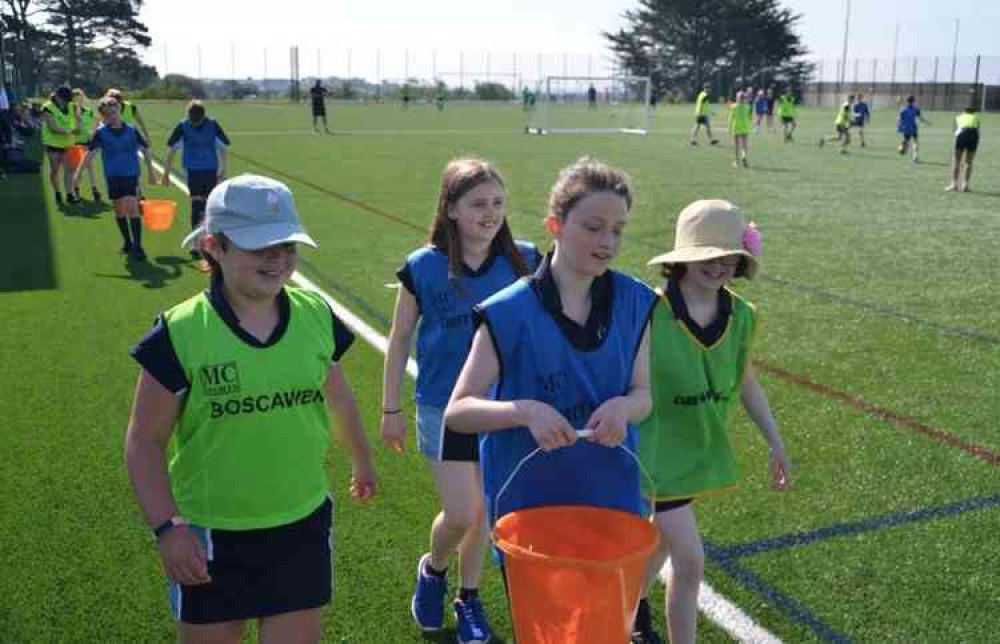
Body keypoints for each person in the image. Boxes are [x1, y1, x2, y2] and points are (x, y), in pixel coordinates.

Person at [125, 173, 377, 644]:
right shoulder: (178, 334)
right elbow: (144, 441)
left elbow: (338, 396)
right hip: (212, 533)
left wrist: (361, 457)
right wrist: (168, 528)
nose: (278, 258)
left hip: (300, 523)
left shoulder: (316, 315)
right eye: (260, 247)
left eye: (287, 244)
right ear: (213, 246)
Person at [444, 159, 657, 612]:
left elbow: (643, 396)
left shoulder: (635, 301)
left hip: (612, 498)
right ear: (555, 225)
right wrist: (526, 411)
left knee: (601, 624)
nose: (607, 242)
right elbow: (458, 411)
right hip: (532, 507)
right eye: (594, 227)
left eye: (618, 230)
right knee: (548, 624)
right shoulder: (509, 310)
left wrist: (624, 407)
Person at [382, 158, 539, 644]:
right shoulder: (423, 266)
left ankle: (468, 598)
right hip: (441, 407)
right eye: (477, 204)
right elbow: (400, 339)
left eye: (496, 203)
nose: (489, 213)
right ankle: (432, 570)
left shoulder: (526, 260)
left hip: (500, 408)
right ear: (451, 209)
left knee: (486, 513)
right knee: (464, 512)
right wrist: (390, 410)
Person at [631, 200, 791, 644]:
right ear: (681, 258)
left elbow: (746, 382)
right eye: (705, 254)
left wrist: (775, 442)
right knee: (690, 559)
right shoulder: (649, 313)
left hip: (695, 453)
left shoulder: (741, 315)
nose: (717, 264)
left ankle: (629, 610)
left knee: (659, 545)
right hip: (654, 454)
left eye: (727, 256)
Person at [73, 97, 157, 261]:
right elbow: (89, 155)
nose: (112, 116)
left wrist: (151, 172)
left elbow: (146, 150)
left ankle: (138, 246)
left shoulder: (132, 130)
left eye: (114, 112)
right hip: (113, 176)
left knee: (133, 208)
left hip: (131, 175)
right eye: (108, 114)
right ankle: (127, 241)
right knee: (119, 210)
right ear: (103, 117)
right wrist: (78, 173)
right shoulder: (101, 134)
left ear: (119, 110)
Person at [161, 100, 232, 265]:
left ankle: (210, 240)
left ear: (203, 116)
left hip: (210, 170)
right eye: (193, 121)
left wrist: (223, 170)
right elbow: (171, 150)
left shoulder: (213, 125)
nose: (195, 124)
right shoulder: (183, 126)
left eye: (198, 121)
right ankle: (195, 243)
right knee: (196, 205)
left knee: (210, 206)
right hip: (192, 171)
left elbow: (223, 147)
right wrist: (165, 174)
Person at [41, 86, 80, 205]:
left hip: (68, 143)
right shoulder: (47, 108)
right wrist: (70, 131)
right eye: (64, 99)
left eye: (68, 100)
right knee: (55, 170)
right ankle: (57, 192)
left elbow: (78, 119)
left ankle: (69, 194)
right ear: (57, 96)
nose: (67, 102)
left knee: (69, 169)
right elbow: (53, 128)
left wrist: (78, 126)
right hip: (53, 143)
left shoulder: (71, 106)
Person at [71, 88, 101, 202]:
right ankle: (76, 189)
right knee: (77, 168)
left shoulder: (88, 111)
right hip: (75, 142)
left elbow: (98, 121)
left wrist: (93, 132)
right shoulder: (70, 112)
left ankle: (94, 189)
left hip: (87, 142)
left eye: (81, 99)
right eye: (76, 99)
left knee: (89, 166)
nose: (79, 102)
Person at [946, 107, 981, 192]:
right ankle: (965, 185)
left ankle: (954, 185)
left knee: (957, 160)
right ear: (973, 112)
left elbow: (955, 132)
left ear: (964, 111)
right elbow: (978, 131)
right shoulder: (976, 118)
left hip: (962, 134)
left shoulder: (958, 117)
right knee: (969, 161)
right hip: (974, 135)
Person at [897, 95, 932, 163]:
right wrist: (927, 123)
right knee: (915, 142)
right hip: (913, 128)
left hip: (906, 129)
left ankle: (902, 149)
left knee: (906, 141)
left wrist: (899, 127)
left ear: (907, 101)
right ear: (913, 102)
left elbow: (899, 119)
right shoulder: (916, 109)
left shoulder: (903, 110)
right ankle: (914, 156)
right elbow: (920, 118)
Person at [728, 91, 752, 168]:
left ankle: (736, 162)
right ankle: (744, 156)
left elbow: (730, 119)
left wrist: (729, 129)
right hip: (745, 128)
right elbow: (749, 118)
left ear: (737, 98)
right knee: (744, 145)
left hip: (736, 128)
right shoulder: (748, 106)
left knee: (736, 146)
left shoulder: (733, 106)